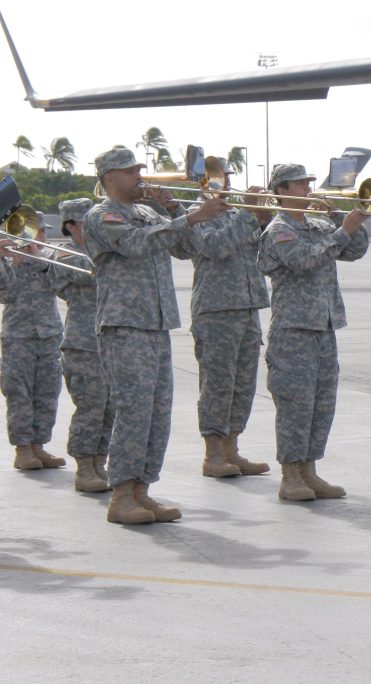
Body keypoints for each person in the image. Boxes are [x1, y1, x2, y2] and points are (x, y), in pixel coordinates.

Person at [85, 145, 229, 525]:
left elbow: (188, 249)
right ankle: (121, 495)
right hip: (125, 324)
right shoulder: (102, 214)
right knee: (133, 411)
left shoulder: (149, 211)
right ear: (109, 177)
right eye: (131, 171)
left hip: (157, 322)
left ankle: (142, 490)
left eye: (139, 169)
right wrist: (190, 218)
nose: (140, 176)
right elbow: (135, 245)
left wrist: (177, 211)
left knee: (156, 413)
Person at [257, 163, 369, 501]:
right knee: (296, 404)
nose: (309, 188)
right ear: (282, 190)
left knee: (322, 403)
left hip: (324, 325)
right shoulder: (278, 230)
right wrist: (341, 232)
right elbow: (304, 261)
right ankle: (291, 474)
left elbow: (354, 251)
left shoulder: (318, 225)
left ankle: (309, 469)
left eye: (308, 182)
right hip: (294, 329)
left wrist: (347, 223)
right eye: (300, 184)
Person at [182, 159, 271, 478]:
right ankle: (213, 454)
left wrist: (262, 219)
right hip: (216, 309)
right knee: (218, 385)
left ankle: (232, 449)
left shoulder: (235, 213)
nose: (228, 182)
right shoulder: (196, 214)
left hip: (247, 306)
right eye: (220, 177)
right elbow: (216, 247)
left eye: (229, 176)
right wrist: (248, 214)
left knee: (242, 385)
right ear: (203, 181)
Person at [50, 198, 113, 492]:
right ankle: (84, 466)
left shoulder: (101, 249)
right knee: (92, 406)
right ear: (71, 226)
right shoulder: (65, 255)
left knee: (110, 407)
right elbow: (91, 270)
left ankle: (100, 462)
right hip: (82, 343)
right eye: (86, 222)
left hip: (109, 341)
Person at [0, 219, 65, 472]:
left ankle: (39, 444)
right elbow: (6, 295)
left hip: (48, 334)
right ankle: (23, 449)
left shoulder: (49, 258)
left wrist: (39, 260)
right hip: (18, 335)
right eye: (35, 231)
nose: (40, 236)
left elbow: (60, 286)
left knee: (48, 392)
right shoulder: (5, 260)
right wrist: (13, 263)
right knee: (20, 393)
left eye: (42, 232)